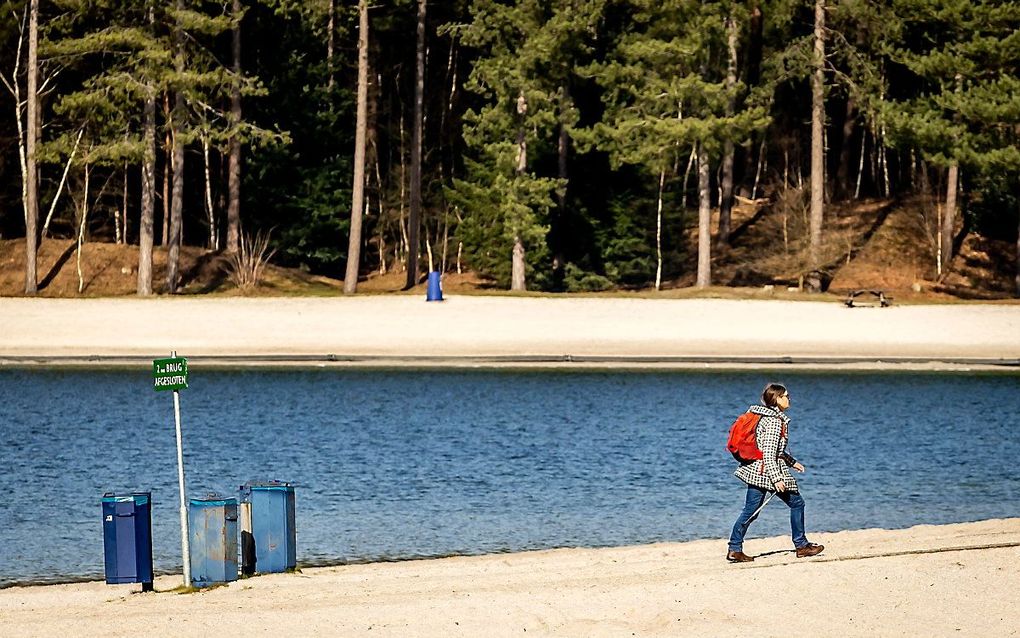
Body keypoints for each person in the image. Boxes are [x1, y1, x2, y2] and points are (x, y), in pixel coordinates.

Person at [726, 383, 824, 562]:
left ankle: (734, 548)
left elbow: (773, 450)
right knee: (797, 503)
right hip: (766, 472)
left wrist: (792, 462)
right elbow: (769, 454)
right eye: (786, 396)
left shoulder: (769, 417)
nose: (789, 399)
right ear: (777, 399)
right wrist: (777, 478)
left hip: (758, 470)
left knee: (751, 511)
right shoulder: (773, 421)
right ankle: (801, 546)